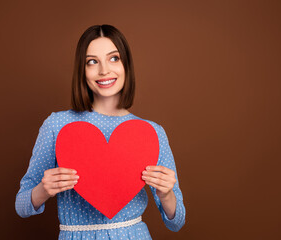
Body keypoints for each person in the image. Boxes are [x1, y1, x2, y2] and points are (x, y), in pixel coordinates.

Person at [15, 24, 186, 239]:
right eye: (92, 62)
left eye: (114, 58)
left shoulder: (152, 133)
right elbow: (21, 206)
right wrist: (43, 190)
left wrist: (166, 193)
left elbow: (177, 221)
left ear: (126, 65)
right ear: (82, 70)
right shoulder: (57, 125)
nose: (104, 70)